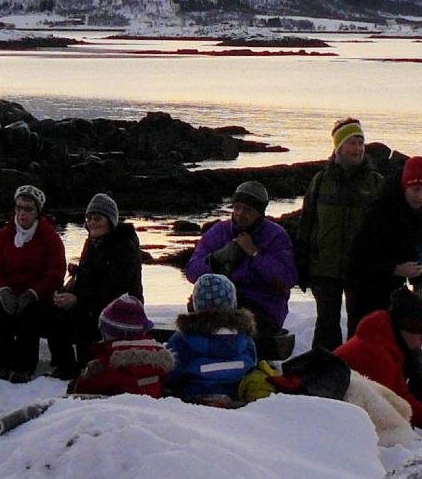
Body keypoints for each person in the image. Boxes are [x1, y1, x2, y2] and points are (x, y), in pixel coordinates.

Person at [295, 118, 387, 351]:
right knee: (326, 326)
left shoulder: (376, 183)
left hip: (360, 269)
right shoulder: (321, 181)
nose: (358, 148)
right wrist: (302, 264)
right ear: (338, 147)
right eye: (352, 143)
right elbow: (306, 223)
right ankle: (324, 372)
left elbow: (386, 227)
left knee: (359, 327)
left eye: (361, 143)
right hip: (324, 268)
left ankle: (357, 373)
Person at [185, 180, 297, 359]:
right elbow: (192, 272)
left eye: (247, 210)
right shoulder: (219, 232)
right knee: (195, 313)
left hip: (262, 306)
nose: (240, 214)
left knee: (243, 326)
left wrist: (254, 253)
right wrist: (216, 258)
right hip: (219, 302)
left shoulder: (276, 236)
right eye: (237, 207)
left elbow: (286, 279)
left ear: (260, 213)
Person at [334, 288, 422, 436]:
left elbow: (400, 397)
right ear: (407, 329)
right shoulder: (377, 355)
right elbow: (396, 405)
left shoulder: (383, 342)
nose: (419, 346)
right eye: (421, 338)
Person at [48, 194, 142, 379]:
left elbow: (115, 288)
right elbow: (87, 278)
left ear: (110, 221)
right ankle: (65, 364)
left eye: (97, 218)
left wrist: (78, 299)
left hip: (122, 305)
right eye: (89, 219)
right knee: (54, 311)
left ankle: (87, 364)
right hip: (93, 299)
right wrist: (68, 291)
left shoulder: (125, 247)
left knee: (86, 315)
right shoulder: (92, 242)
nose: (92, 223)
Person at [0, 185, 65, 382]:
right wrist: (1, 291)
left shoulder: (50, 238)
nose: (22, 213)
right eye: (19, 208)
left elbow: (56, 272)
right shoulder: (3, 236)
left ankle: (22, 369)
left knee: (31, 317)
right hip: (8, 292)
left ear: (37, 212)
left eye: (28, 209)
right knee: (0, 314)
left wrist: (33, 293)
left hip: (38, 296)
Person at [346, 155, 422, 328]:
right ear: (405, 187)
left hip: (394, 288)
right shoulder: (380, 212)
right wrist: (395, 269)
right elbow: (357, 259)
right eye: (415, 190)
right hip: (364, 288)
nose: (420, 196)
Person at [165, 274, 257, 406]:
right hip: (236, 396)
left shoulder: (182, 339)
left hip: (193, 400)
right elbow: (251, 365)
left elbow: (171, 372)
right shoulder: (245, 337)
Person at [70, 294, 172, 398]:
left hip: (115, 411)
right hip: (151, 409)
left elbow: (82, 390)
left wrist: (77, 383)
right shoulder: (159, 363)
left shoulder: (106, 365)